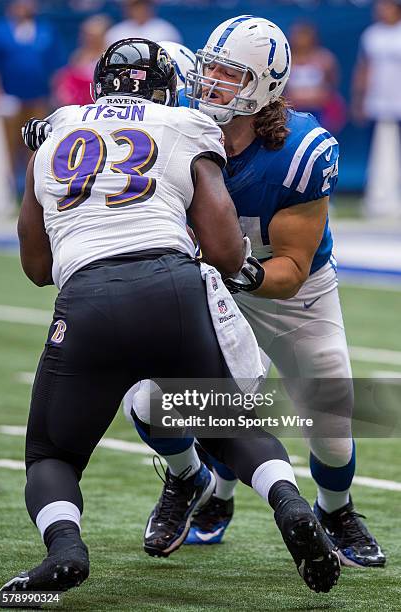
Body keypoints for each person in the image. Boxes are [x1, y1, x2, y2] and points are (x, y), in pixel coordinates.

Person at [0, 38, 340, 604]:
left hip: (88, 297)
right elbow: (227, 249)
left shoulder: (55, 131)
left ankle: (64, 549)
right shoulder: (184, 124)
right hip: (175, 289)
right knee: (234, 426)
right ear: (168, 87)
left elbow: (36, 267)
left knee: (52, 455)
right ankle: (291, 503)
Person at [126, 16, 385, 568]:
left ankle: (336, 510)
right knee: (151, 400)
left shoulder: (300, 150)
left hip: (293, 295)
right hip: (208, 286)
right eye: (210, 67)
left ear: (266, 84)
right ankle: (189, 482)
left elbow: (291, 267)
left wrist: (234, 268)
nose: (212, 81)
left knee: (332, 415)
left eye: (230, 72)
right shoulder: (179, 127)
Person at [0, 0, 63, 175]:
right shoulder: (0, 30)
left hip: (39, 96)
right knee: (9, 144)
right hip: (10, 97)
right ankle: (9, 187)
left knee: (36, 143)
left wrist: (54, 92)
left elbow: (55, 64)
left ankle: (35, 181)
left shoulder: (46, 30)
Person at [352, 0, 401, 218]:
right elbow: (364, 68)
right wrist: (359, 99)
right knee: (377, 151)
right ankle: (377, 197)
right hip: (376, 104)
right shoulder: (372, 35)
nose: (382, 10)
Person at [286, 22, 345, 134]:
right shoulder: (286, 60)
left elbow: (332, 87)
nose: (301, 39)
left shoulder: (325, 59)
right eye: (297, 35)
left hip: (318, 112)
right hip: (293, 112)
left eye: (304, 35)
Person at [52, 14, 111, 107]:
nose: (90, 39)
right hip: (80, 108)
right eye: (87, 35)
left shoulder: (110, 57)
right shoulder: (78, 56)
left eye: (94, 36)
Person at [106, 0, 182, 47]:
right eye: (136, 7)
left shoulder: (166, 30)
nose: (140, 11)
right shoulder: (116, 31)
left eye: (142, 6)